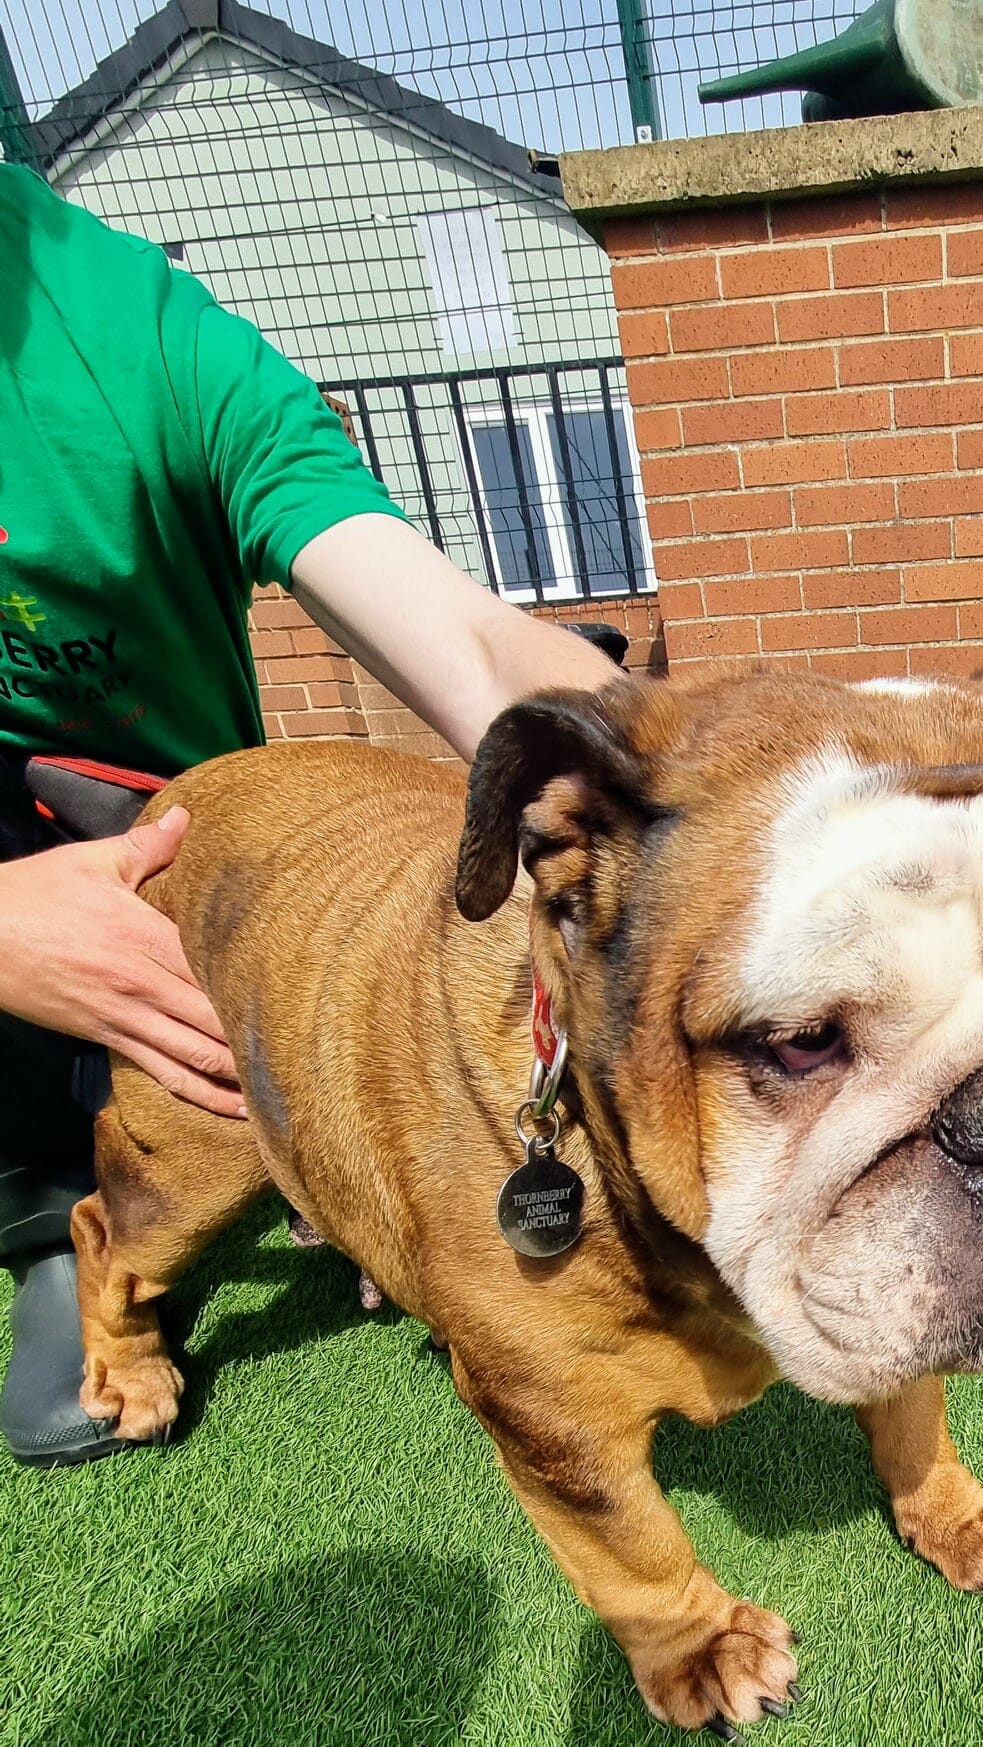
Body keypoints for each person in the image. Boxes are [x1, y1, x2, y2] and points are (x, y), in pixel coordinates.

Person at [0, 162, 622, 1465]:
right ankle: (64, 1224)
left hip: (165, 802)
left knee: (238, 1037)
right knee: (148, 1132)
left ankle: (329, 1171)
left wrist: (714, 786)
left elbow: (466, 641)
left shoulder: (127, 329)